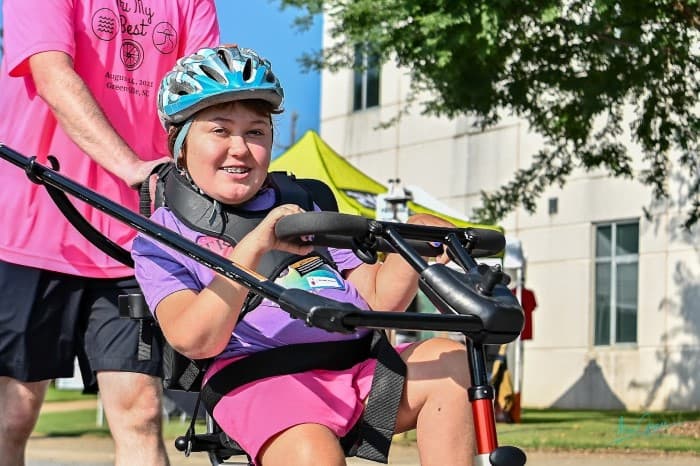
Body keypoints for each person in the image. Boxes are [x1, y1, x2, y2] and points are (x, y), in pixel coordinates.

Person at [132, 44, 476, 466]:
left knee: (449, 359)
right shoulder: (162, 235)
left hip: (359, 369)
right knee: (313, 453)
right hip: (260, 379)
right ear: (181, 145)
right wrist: (256, 246)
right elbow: (194, 340)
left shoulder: (306, 202)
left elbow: (377, 299)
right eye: (219, 130)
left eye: (256, 132)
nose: (240, 148)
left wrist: (413, 243)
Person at [0, 1, 219, 465]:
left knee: (140, 412)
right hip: (31, 230)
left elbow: (204, 98)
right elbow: (52, 74)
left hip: (134, 239)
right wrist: (131, 168)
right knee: (11, 413)